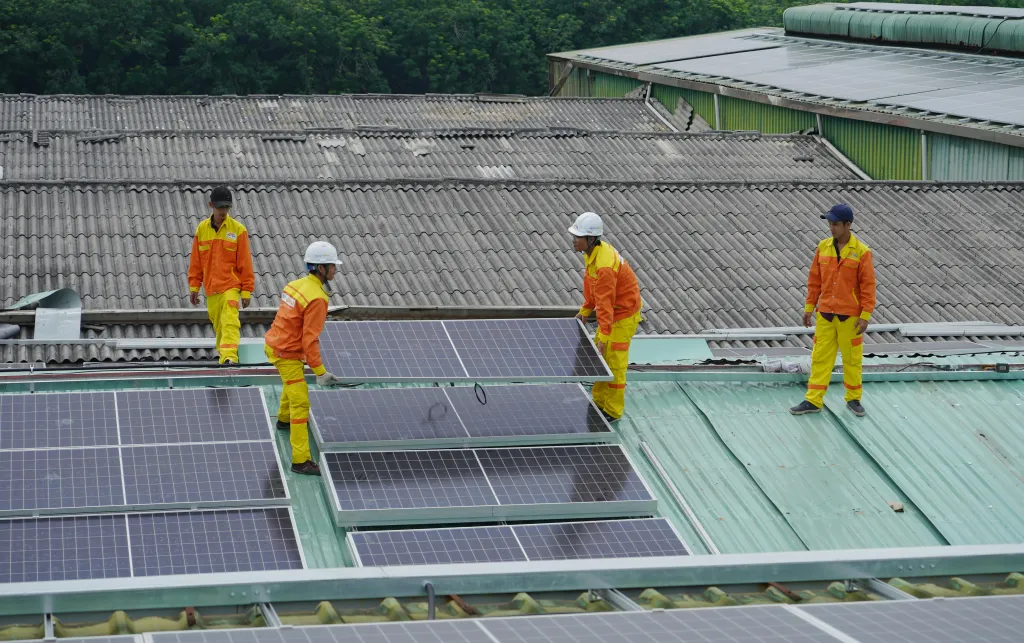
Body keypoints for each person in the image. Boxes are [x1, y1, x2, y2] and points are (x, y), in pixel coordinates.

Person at [264, 241, 345, 476]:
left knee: (293, 384)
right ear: (321, 269)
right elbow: (310, 339)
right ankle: (301, 461)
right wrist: (320, 372)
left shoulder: (294, 285)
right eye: (332, 266)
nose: (336, 270)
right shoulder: (318, 298)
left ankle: (283, 420)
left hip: (274, 343)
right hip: (286, 353)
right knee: (301, 401)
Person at [790, 204, 876, 417]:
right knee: (820, 358)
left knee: (852, 359)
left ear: (848, 225)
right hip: (826, 314)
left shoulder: (862, 252)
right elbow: (814, 281)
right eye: (830, 223)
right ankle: (813, 400)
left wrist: (865, 316)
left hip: (850, 318)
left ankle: (853, 399)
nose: (831, 227)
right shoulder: (823, 247)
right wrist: (809, 307)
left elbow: (868, 287)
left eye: (836, 224)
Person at [569, 211, 642, 422]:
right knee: (601, 359)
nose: (574, 240)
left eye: (578, 236)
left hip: (622, 315)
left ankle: (612, 410)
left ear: (591, 239)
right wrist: (584, 310)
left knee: (614, 363)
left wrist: (604, 337)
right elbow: (594, 290)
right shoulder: (592, 254)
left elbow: (606, 304)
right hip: (610, 314)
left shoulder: (605, 266)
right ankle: (600, 401)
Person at [187, 186, 255, 365]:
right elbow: (196, 262)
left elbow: (245, 263)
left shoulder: (238, 230)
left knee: (230, 321)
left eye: (226, 207)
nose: (223, 211)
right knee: (219, 327)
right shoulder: (202, 230)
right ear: (211, 205)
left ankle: (230, 357)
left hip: (230, 286)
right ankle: (223, 360)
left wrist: (246, 291)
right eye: (220, 207)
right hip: (211, 290)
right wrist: (194, 286)